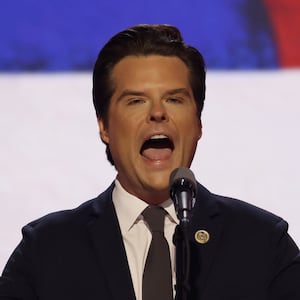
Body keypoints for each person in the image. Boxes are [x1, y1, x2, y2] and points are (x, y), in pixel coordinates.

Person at [0, 24, 299, 300]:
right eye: (136, 100)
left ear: (198, 124)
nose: (158, 113)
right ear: (104, 125)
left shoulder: (263, 245)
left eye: (174, 99)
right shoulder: (45, 252)